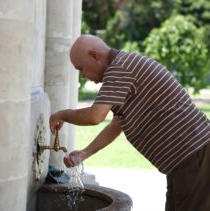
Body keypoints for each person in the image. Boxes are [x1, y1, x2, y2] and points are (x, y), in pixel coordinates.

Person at [49, 34, 210, 211]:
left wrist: (61, 115)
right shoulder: (122, 68)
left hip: (194, 154)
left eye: (81, 68)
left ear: (95, 56)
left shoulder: (120, 68)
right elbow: (116, 125)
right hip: (185, 159)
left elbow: (95, 116)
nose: (82, 75)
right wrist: (85, 153)